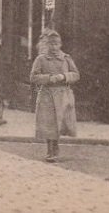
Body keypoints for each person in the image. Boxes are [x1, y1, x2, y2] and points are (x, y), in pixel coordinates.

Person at [30, 30, 79, 162]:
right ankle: (49, 150)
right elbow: (33, 77)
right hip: (47, 95)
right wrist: (49, 78)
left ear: (60, 44)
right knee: (48, 123)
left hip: (63, 95)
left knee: (59, 123)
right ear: (47, 44)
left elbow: (76, 75)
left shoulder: (66, 58)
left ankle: (55, 149)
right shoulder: (40, 59)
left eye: (56, 44)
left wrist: (64, 76)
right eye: (51, 44)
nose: (53, 47)